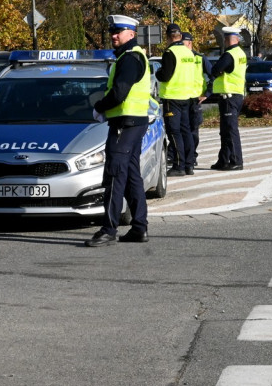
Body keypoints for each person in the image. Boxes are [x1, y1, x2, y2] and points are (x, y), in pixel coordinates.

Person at [85, 14, 152, 247]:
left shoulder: (130, 58)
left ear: (131, 34)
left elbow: (119, 92)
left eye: (119, 31)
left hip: (125, 124)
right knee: (132, 176)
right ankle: (139, 228)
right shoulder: (130, 56)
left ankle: (109, 229)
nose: (114, 35)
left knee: (115, 175)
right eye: (112, 31)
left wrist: (99, 107)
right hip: (133, 122)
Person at [156, 23, 197, 176]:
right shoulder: (188, 53)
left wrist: (159, 72)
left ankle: (179, 165)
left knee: (174, 132)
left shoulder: (170, 52)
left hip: (172, 97)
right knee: (186, 131)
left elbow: (165, 76)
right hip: (186, 96)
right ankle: (189, 164)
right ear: (180, 36)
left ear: (167, 37)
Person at [209, 26, 247, 171]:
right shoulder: (240, 53)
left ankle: (236, 160)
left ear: (226, 40)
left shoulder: (229, 55)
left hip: (229, 96)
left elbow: (215, 70)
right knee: (225, 129)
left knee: (230, 130)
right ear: (236, 38)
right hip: (236, 95)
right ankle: (224, 160)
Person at [183, 31, 210, 169]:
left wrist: (207, 93)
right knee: (181, 130)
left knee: (193, 131)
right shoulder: (178, 57)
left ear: (190, 43)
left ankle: (192, 157)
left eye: (183, 43)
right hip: (181, 99)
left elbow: (213, 75)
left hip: (195, 99)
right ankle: (182, 158)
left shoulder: (200, 58)